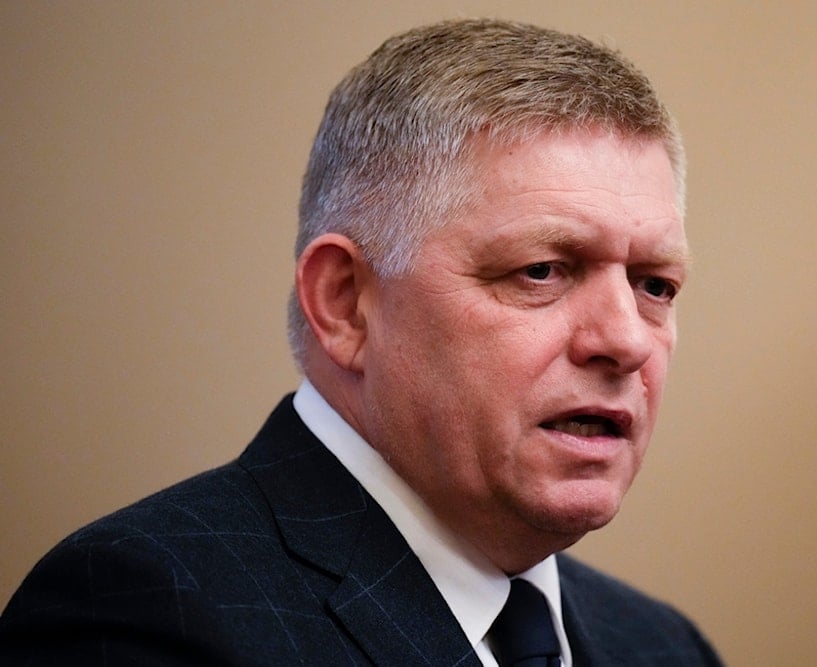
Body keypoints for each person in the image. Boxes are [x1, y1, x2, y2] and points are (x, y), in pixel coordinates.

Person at [0, 18, 722, 666]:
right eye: (541, 270)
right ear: (345, 303)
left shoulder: (663, 645)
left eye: (655, 284)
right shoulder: (145, 610)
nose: (626, 339)